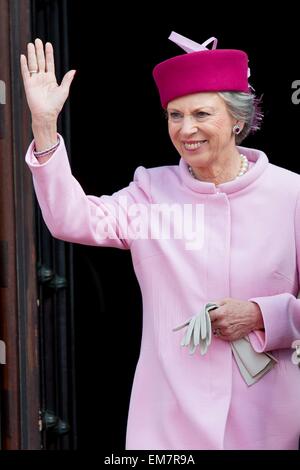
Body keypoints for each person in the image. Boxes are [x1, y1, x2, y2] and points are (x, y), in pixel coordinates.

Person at [20, 32, 300, 450]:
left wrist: (265, 315)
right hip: (169, 418)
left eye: (202, 113)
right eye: (174, 115)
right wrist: (44, 126)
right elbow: (70, 219)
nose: (187, 129)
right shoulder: (151, 191)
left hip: (268, 418)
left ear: (238, 119)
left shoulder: (291, 195)